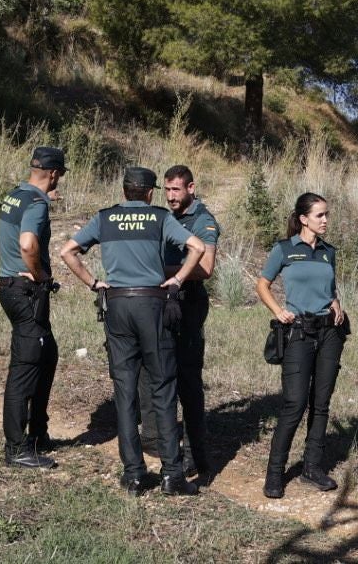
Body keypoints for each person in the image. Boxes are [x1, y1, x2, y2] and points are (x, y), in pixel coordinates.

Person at [59, 166, 207, 496]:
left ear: (124, 190)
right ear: (151, 192)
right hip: (151, 305)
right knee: (163, 385)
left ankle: (134, 474)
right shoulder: (159, 218)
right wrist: (177, 279)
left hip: (116, 306)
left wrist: (94, 283)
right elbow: (197, 247)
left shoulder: (105, 218)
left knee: (125, 391)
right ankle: (172, 474)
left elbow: (67, 251)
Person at [256, 192, 347, 499]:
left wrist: (336, 303)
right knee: (294, 403)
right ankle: (274, 474)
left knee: (321, 403)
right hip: (298, 333)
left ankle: (312, 468)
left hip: (330, 333)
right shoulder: (284, 249)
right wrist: (278, 311)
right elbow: (262, 285)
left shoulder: (328, 251)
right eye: (320, 215)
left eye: (327, 214)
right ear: (303, 219)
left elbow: (329, 289)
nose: (326, 220)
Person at [137, 163, 221, 481]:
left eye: (176, 190)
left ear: (191, 188)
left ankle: (194, 453)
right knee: (155, 370)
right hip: (161, 301)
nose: (171, 196)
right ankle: (159, 440)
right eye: (167, 190)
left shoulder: (203, 220)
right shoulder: (164, 216)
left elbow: (206, 268)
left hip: (188, 302)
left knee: (187, 378)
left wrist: (158, 270)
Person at [0, 145, 65, 470]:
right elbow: (27, 243)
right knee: (24, 367)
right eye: (59, 175)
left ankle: (38, 432)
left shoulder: (15, 195)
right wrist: (40, 275)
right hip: (25, 292)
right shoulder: (36, 203)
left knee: (46, 353)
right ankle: (16, 448)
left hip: (10, 287)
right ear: (53, 173)